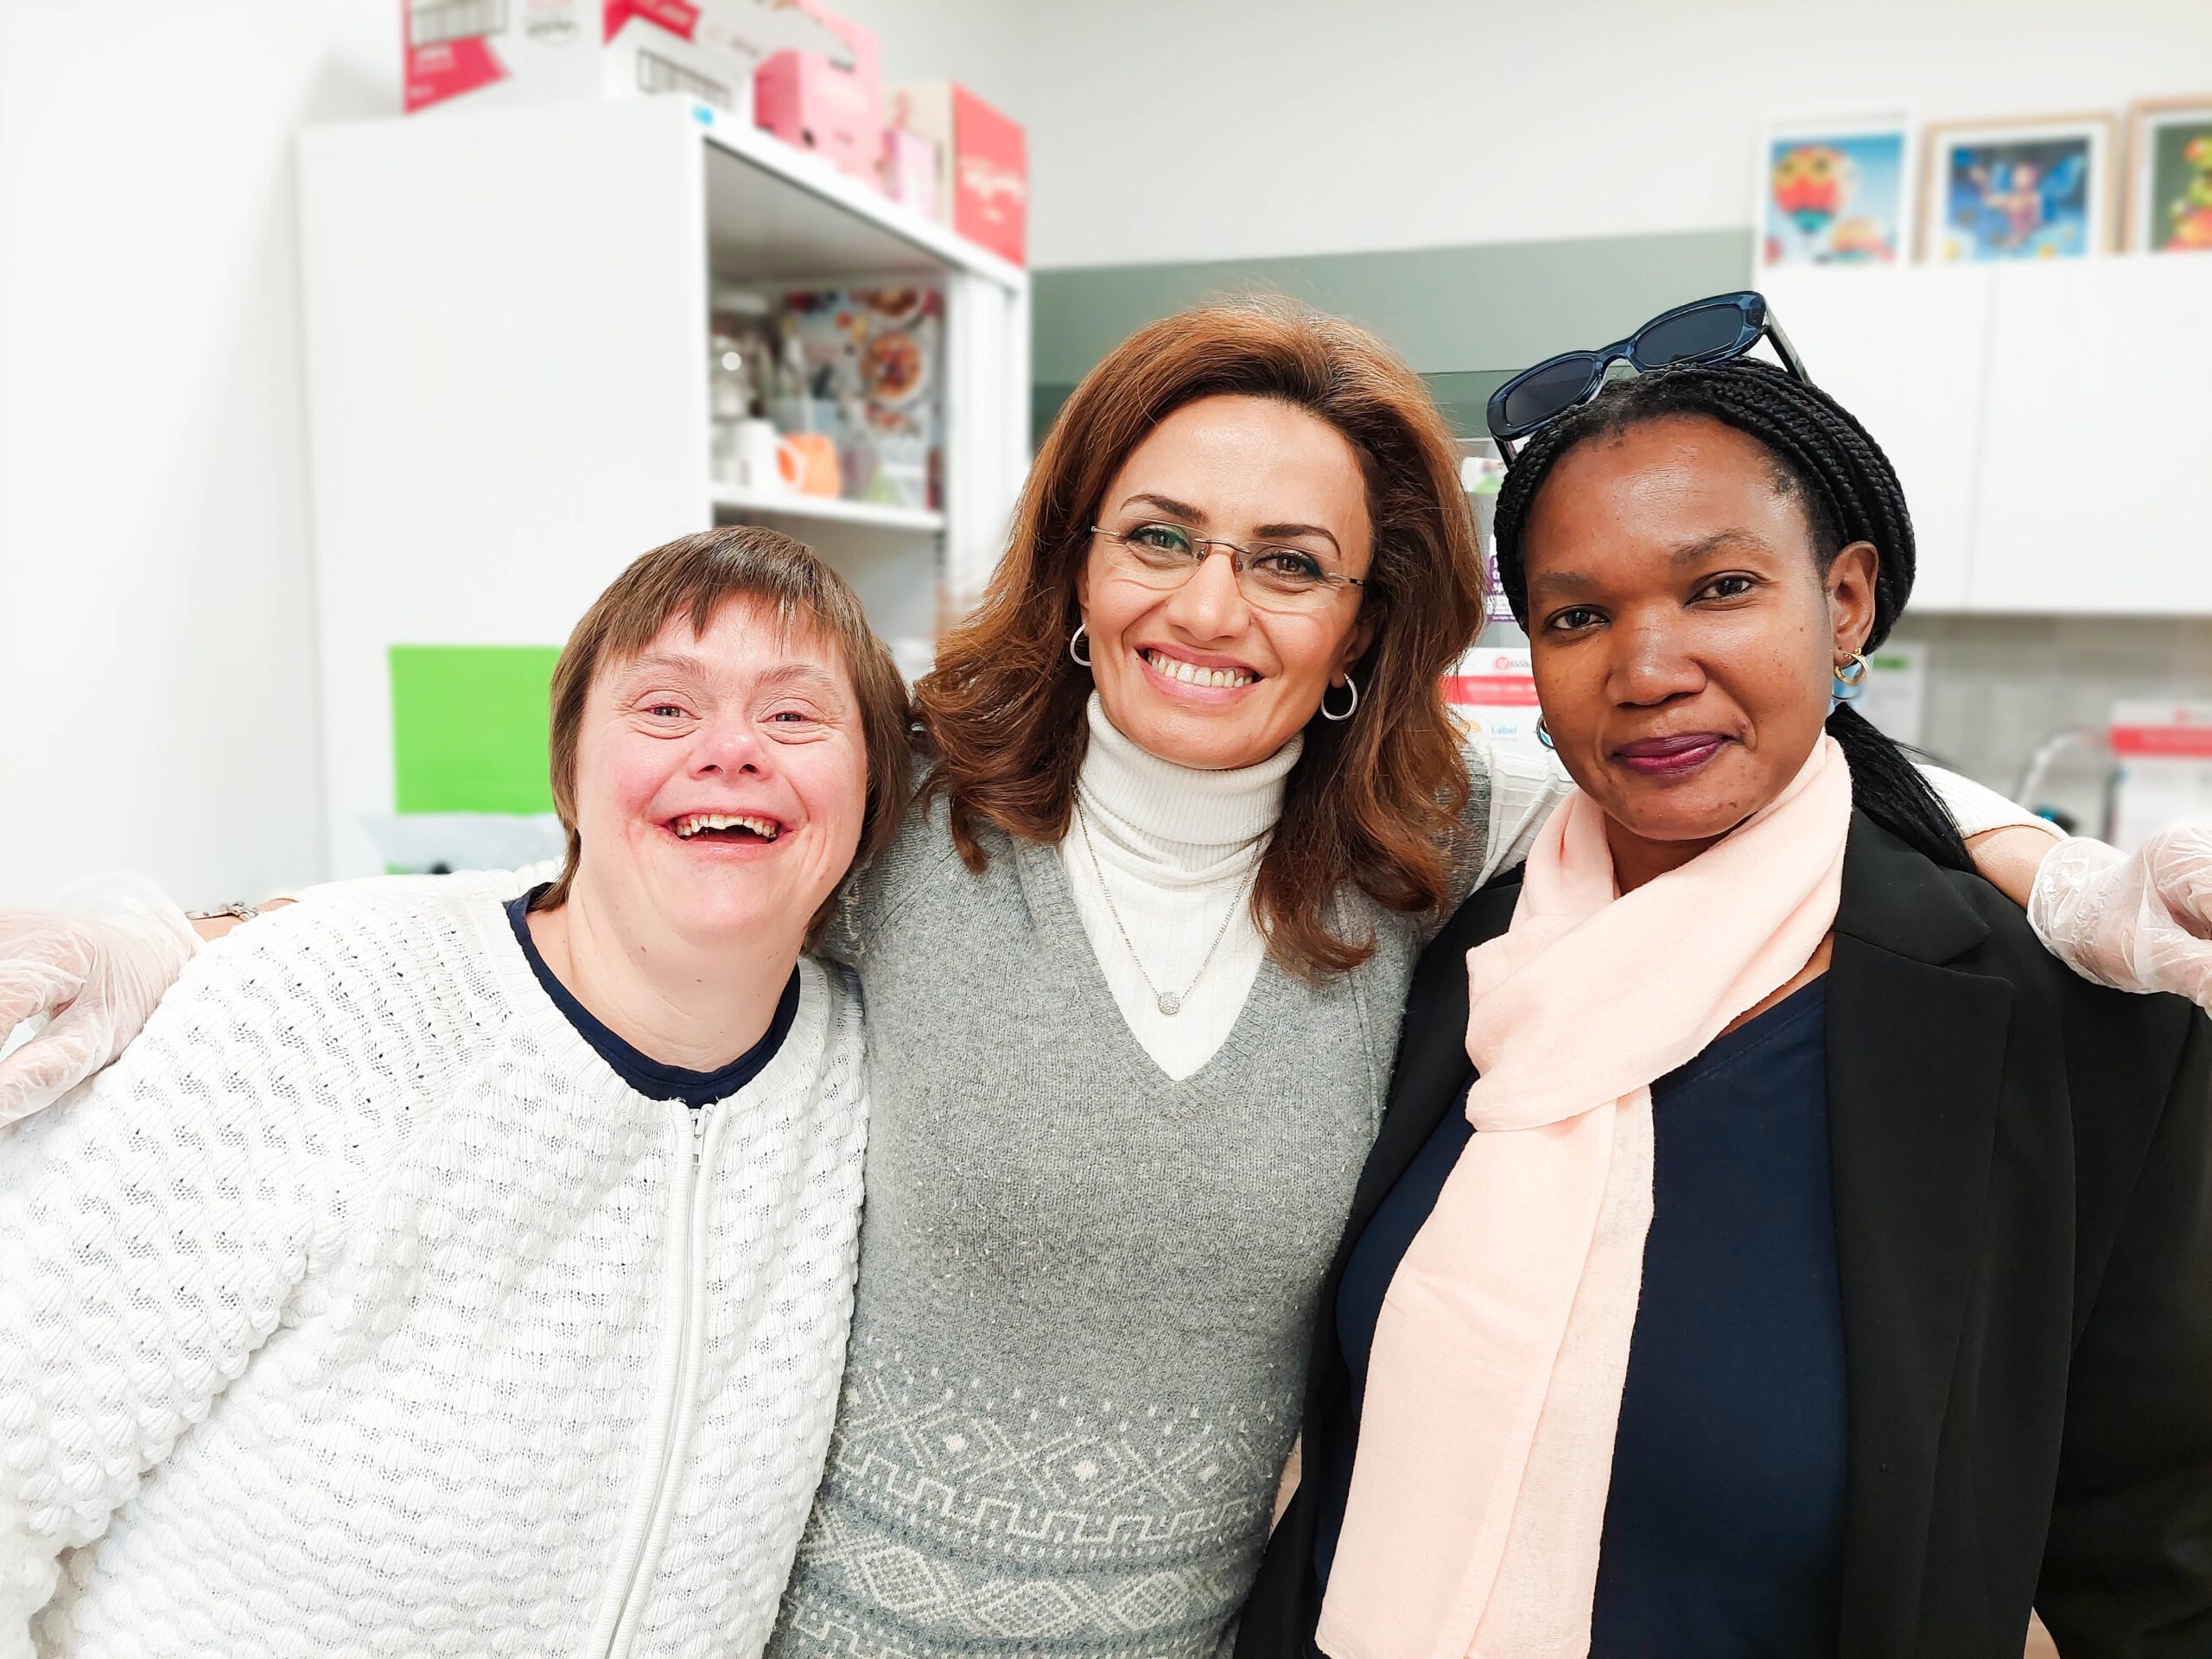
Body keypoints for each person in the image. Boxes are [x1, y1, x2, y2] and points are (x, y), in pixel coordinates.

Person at [0, 302, 2203, 1659]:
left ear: (1370, 628)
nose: (1210, 607)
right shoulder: (903, 830)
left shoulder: (1450, 873)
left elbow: (1744, 747)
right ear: (1072, 564)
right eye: (1158, 534)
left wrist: (2052, 870)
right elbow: (576, 893)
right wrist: (155, 943)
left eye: (1290, 561)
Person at [1237, 344, 2212, 1659]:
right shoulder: (1462, 959)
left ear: (1847, 602)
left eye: (1723, 588)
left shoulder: (2073, 1032)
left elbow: (2151, 1574)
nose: (1648, 670)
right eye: (1579, 617)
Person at [0, 527, 913, 1657]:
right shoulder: (319, 1008)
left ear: (874, 791)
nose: (730, 751)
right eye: (665, 709)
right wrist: (220, 934)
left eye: (793, 715)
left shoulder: (872, 1072)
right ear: (570, 773)